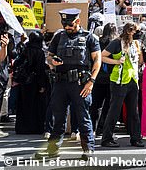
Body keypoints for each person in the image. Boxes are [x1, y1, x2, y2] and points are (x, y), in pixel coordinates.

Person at [35, 9, 101, 160]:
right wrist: (52, 62)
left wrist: (91, 82)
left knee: (83, 117)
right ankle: (53, 149)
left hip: (80, 83)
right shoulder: (59, 36)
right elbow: (49, 57)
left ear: (78, 21)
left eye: (70, 24)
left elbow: (97, 60)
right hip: (60, 83)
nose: (67, 27)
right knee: (58, 117)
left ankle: (88, 149)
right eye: (64, 24)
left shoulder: (89, 37)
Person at [100, 23, 143, 148]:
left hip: (132, 80)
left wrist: (138, 53)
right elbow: (102, 56)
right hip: (118, 80)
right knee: (115, 109)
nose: (138, 34)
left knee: (133, 111)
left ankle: (136, 138)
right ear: (129, 31)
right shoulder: (116, 43)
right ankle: (106, 138)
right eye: (136, 31)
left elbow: (139, 62)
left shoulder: (135, 44)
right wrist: (116, 61)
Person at [14, 31, 48, 134]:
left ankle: (22, 127)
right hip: (35, 82)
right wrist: (42, 85)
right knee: (36, 105)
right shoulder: (39, 52)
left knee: (24, 104)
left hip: (24, 81)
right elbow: (40, 69)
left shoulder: (25, 49)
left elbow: (17, 63)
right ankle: (34, 127)